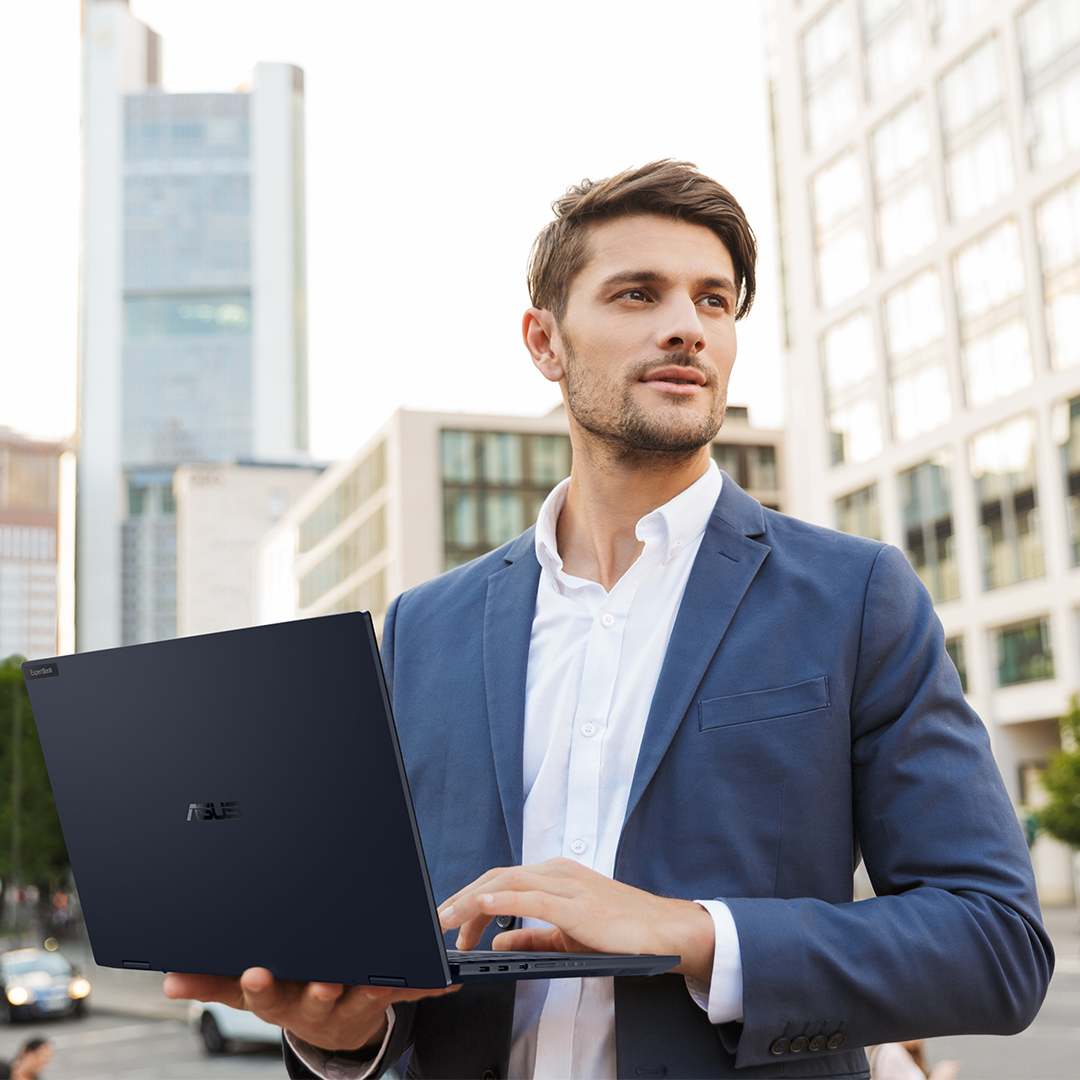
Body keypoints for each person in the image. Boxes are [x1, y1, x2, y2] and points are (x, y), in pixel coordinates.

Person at [165, 160, 1054, 1078]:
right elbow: (400, 967)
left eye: (715, 301)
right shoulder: (423, 627)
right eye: (638, 294)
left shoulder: (856, 595)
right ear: (544, 343)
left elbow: (995, 944)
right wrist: (341, 1034)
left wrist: (695, 933)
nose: (687, 325)